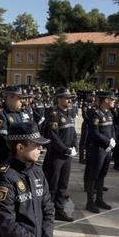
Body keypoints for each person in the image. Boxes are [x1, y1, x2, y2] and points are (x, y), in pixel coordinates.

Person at [41, 88, 78, 221]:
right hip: (56, 156)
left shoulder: (69, 113)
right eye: (66, 98)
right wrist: (65, 149)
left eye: (70, 98)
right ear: (59, 99)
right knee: (53, 185)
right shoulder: (54, 114)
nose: (69, 100)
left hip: (67, 156)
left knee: (63, 184)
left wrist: (75, 146)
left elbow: (73, 132)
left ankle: (60, 210)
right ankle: (47, 212)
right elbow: (53, 136)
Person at [83, 90, 117, 212]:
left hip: (107, 149)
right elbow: (94, 132)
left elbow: (112, 128)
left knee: (102, 174)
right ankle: (90, 202)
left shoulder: (109, 113)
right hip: (97, 149)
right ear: (106, 100)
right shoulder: (95, 113)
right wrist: (108, 141)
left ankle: (99, 199)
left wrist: (113, 140)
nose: (114, 101)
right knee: (93, 175)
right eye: (112, 99)